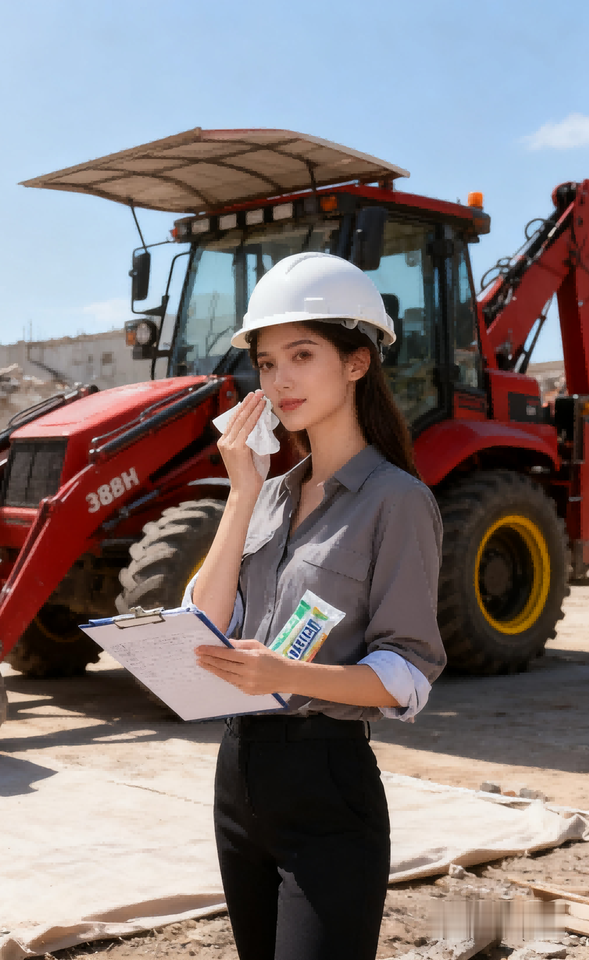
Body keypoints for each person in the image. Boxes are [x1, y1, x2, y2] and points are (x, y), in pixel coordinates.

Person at [189, 252, 446, 960]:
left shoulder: (397, 501)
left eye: (302, 355)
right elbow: (204, 624)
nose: (280, 381)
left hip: (327, 787)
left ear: (357, 362)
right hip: (237, 778)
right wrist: (242, 492)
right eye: (267, 363)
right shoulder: (268, 496)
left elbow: (408, 676)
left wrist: (287, 676)